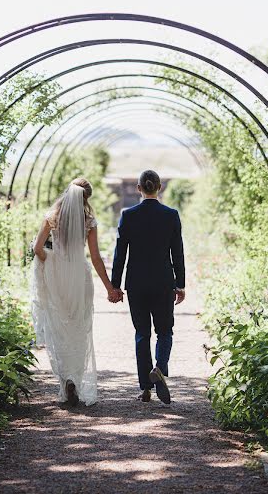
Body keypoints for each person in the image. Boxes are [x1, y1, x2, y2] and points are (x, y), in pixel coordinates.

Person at [31, 177, 120, 406]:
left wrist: (50, 261)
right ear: (85, 198)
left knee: (60, 327)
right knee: (80, 328)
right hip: (79, 277)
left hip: (58, 276)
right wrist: (109, 288)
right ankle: (75, 381)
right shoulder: (88, 220)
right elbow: (96, 257)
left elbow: (37, 248)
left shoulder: (52, 217)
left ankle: (66, 381)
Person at [111, 169, 186, 404]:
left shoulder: (128, 215)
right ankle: (160, 369)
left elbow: (120, 254)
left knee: (142, 334)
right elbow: (178, 253)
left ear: (139, 189)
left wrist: (115, 285)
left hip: (136, 284)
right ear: (159, 187)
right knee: (164, 331)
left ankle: (145, 388)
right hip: (163, 282)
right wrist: (180, 284)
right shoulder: (171, 215)